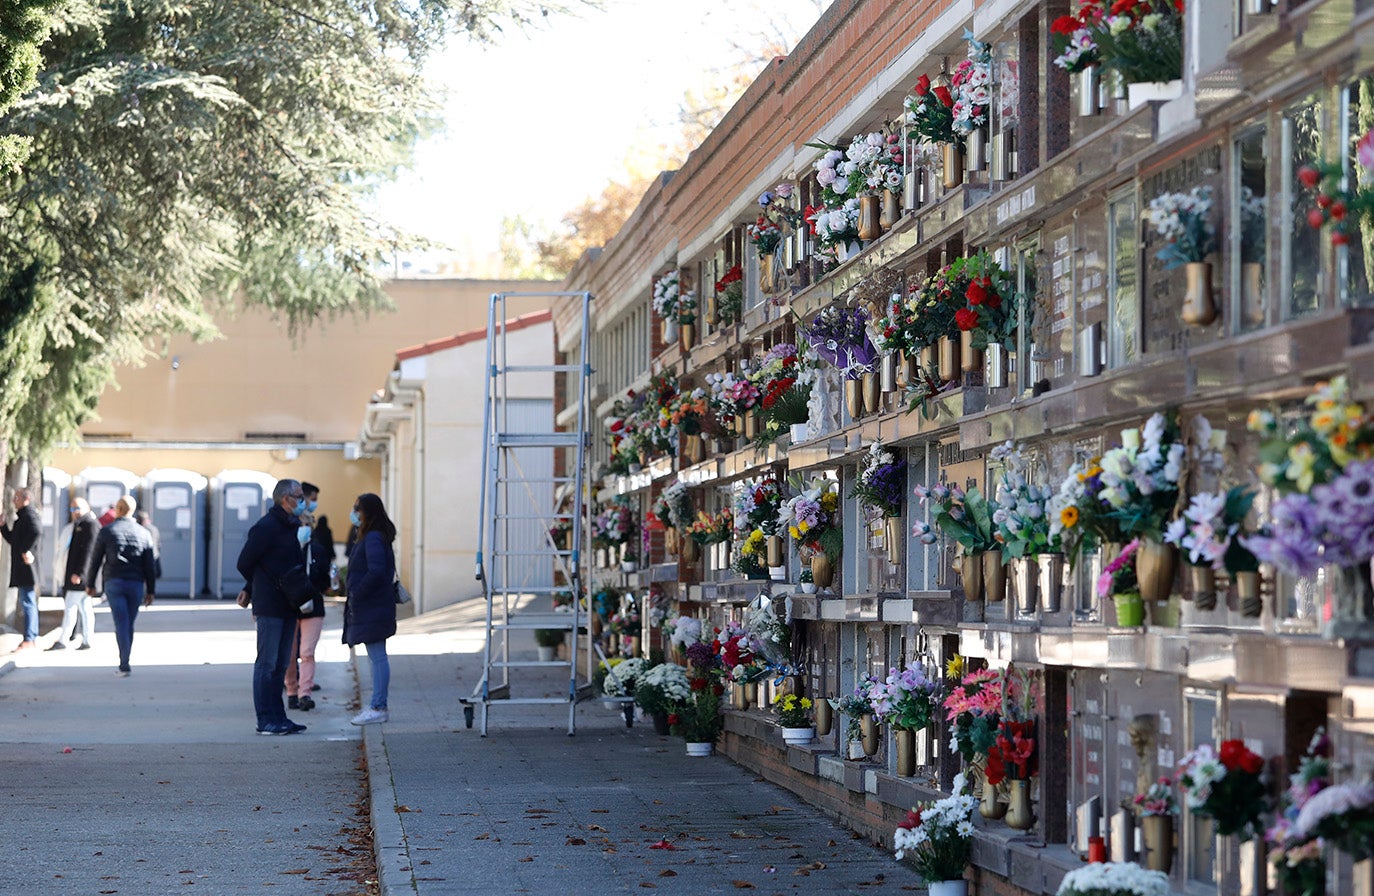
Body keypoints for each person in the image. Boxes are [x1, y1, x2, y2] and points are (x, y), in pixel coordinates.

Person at [236, 479, 314, 735]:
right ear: (285, 498)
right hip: (270, 604)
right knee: (267, 664)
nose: (303, 501)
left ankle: (279, 717)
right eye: (299, 496)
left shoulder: (291, 526)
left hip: (288, 603)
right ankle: (265, 719)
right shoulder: (266, 527)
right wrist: (257, 586)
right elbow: (246, 562)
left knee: (281, 664)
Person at [84, 496, 156, 676]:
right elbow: (150, 565)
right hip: (136, 583)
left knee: (121, 621)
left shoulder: (107, 531)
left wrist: (90, 584)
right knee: (129, 622)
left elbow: (95, 560)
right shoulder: (144, 533)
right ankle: (125, 659)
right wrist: (151, 591)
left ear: (117, 509)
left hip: (114, 581)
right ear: (132, 510)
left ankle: (124, 662)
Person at [344, 493, 397, 726]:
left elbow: (376, 571)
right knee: (376, 657)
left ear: (369, 512)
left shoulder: (373, 538)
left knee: (377, 657)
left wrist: (358, 592)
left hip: (372, 605)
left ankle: (378, 706)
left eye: (358, 508)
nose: (354, 512)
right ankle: (377, 704)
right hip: (373, 605)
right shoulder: (372, 536)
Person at [286, 487, 328, 712]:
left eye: (306, 525)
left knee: (307, 652)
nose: (304, 528)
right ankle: (291, 690)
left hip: (313, 606)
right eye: (300, 525)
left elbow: (324, 579)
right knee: (290, 653)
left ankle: (305, 693)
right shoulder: (286, 548)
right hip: (290, 605)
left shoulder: (318, 550)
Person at [50, 497, 99, 651]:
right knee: (85, 607)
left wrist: (79, 573)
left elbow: (88, 553)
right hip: (79, 575)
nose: (75, 512)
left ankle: (64, 639)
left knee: (71, 605)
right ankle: (87, 639)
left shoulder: (90, 525)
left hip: (81, 576)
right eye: (72, 509)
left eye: (77, 508)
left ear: (87, 507)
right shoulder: (80, 525)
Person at [1, 487, 42, 649]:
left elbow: (36, 531)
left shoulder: (29, 515)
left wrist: (26, 550)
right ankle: (31, 636)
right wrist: (3, 527)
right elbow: (13, 540)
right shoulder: (22, 517)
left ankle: (30, 638)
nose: (14, 501)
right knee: (27, 601)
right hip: (22, 568)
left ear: (26, 499)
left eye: (17, 497)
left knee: (28, 602)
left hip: (27, 569)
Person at [134, 509, 163, 581]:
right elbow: (159, 545)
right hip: (154, 557)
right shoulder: (154, 529)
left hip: (143, 560)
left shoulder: (139, 529)